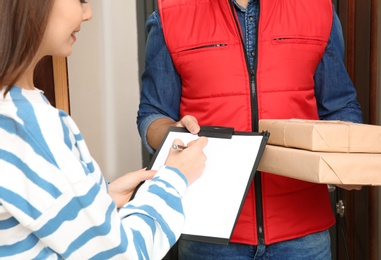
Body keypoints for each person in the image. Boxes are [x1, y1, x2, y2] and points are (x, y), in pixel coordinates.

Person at [137, 0, 363, 259]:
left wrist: (352, 161)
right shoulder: (171, 13)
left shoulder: (317, 9)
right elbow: (152, 113)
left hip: (303, 233)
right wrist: (172, 134)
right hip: (209, 232)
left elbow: (340, 105)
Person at [0, 0, 208, 259]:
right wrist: (175, 178)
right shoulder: (28, 125)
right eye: (81, 0)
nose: (87, 14)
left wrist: (101, 196)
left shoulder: (19, 113)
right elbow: (122, 255)